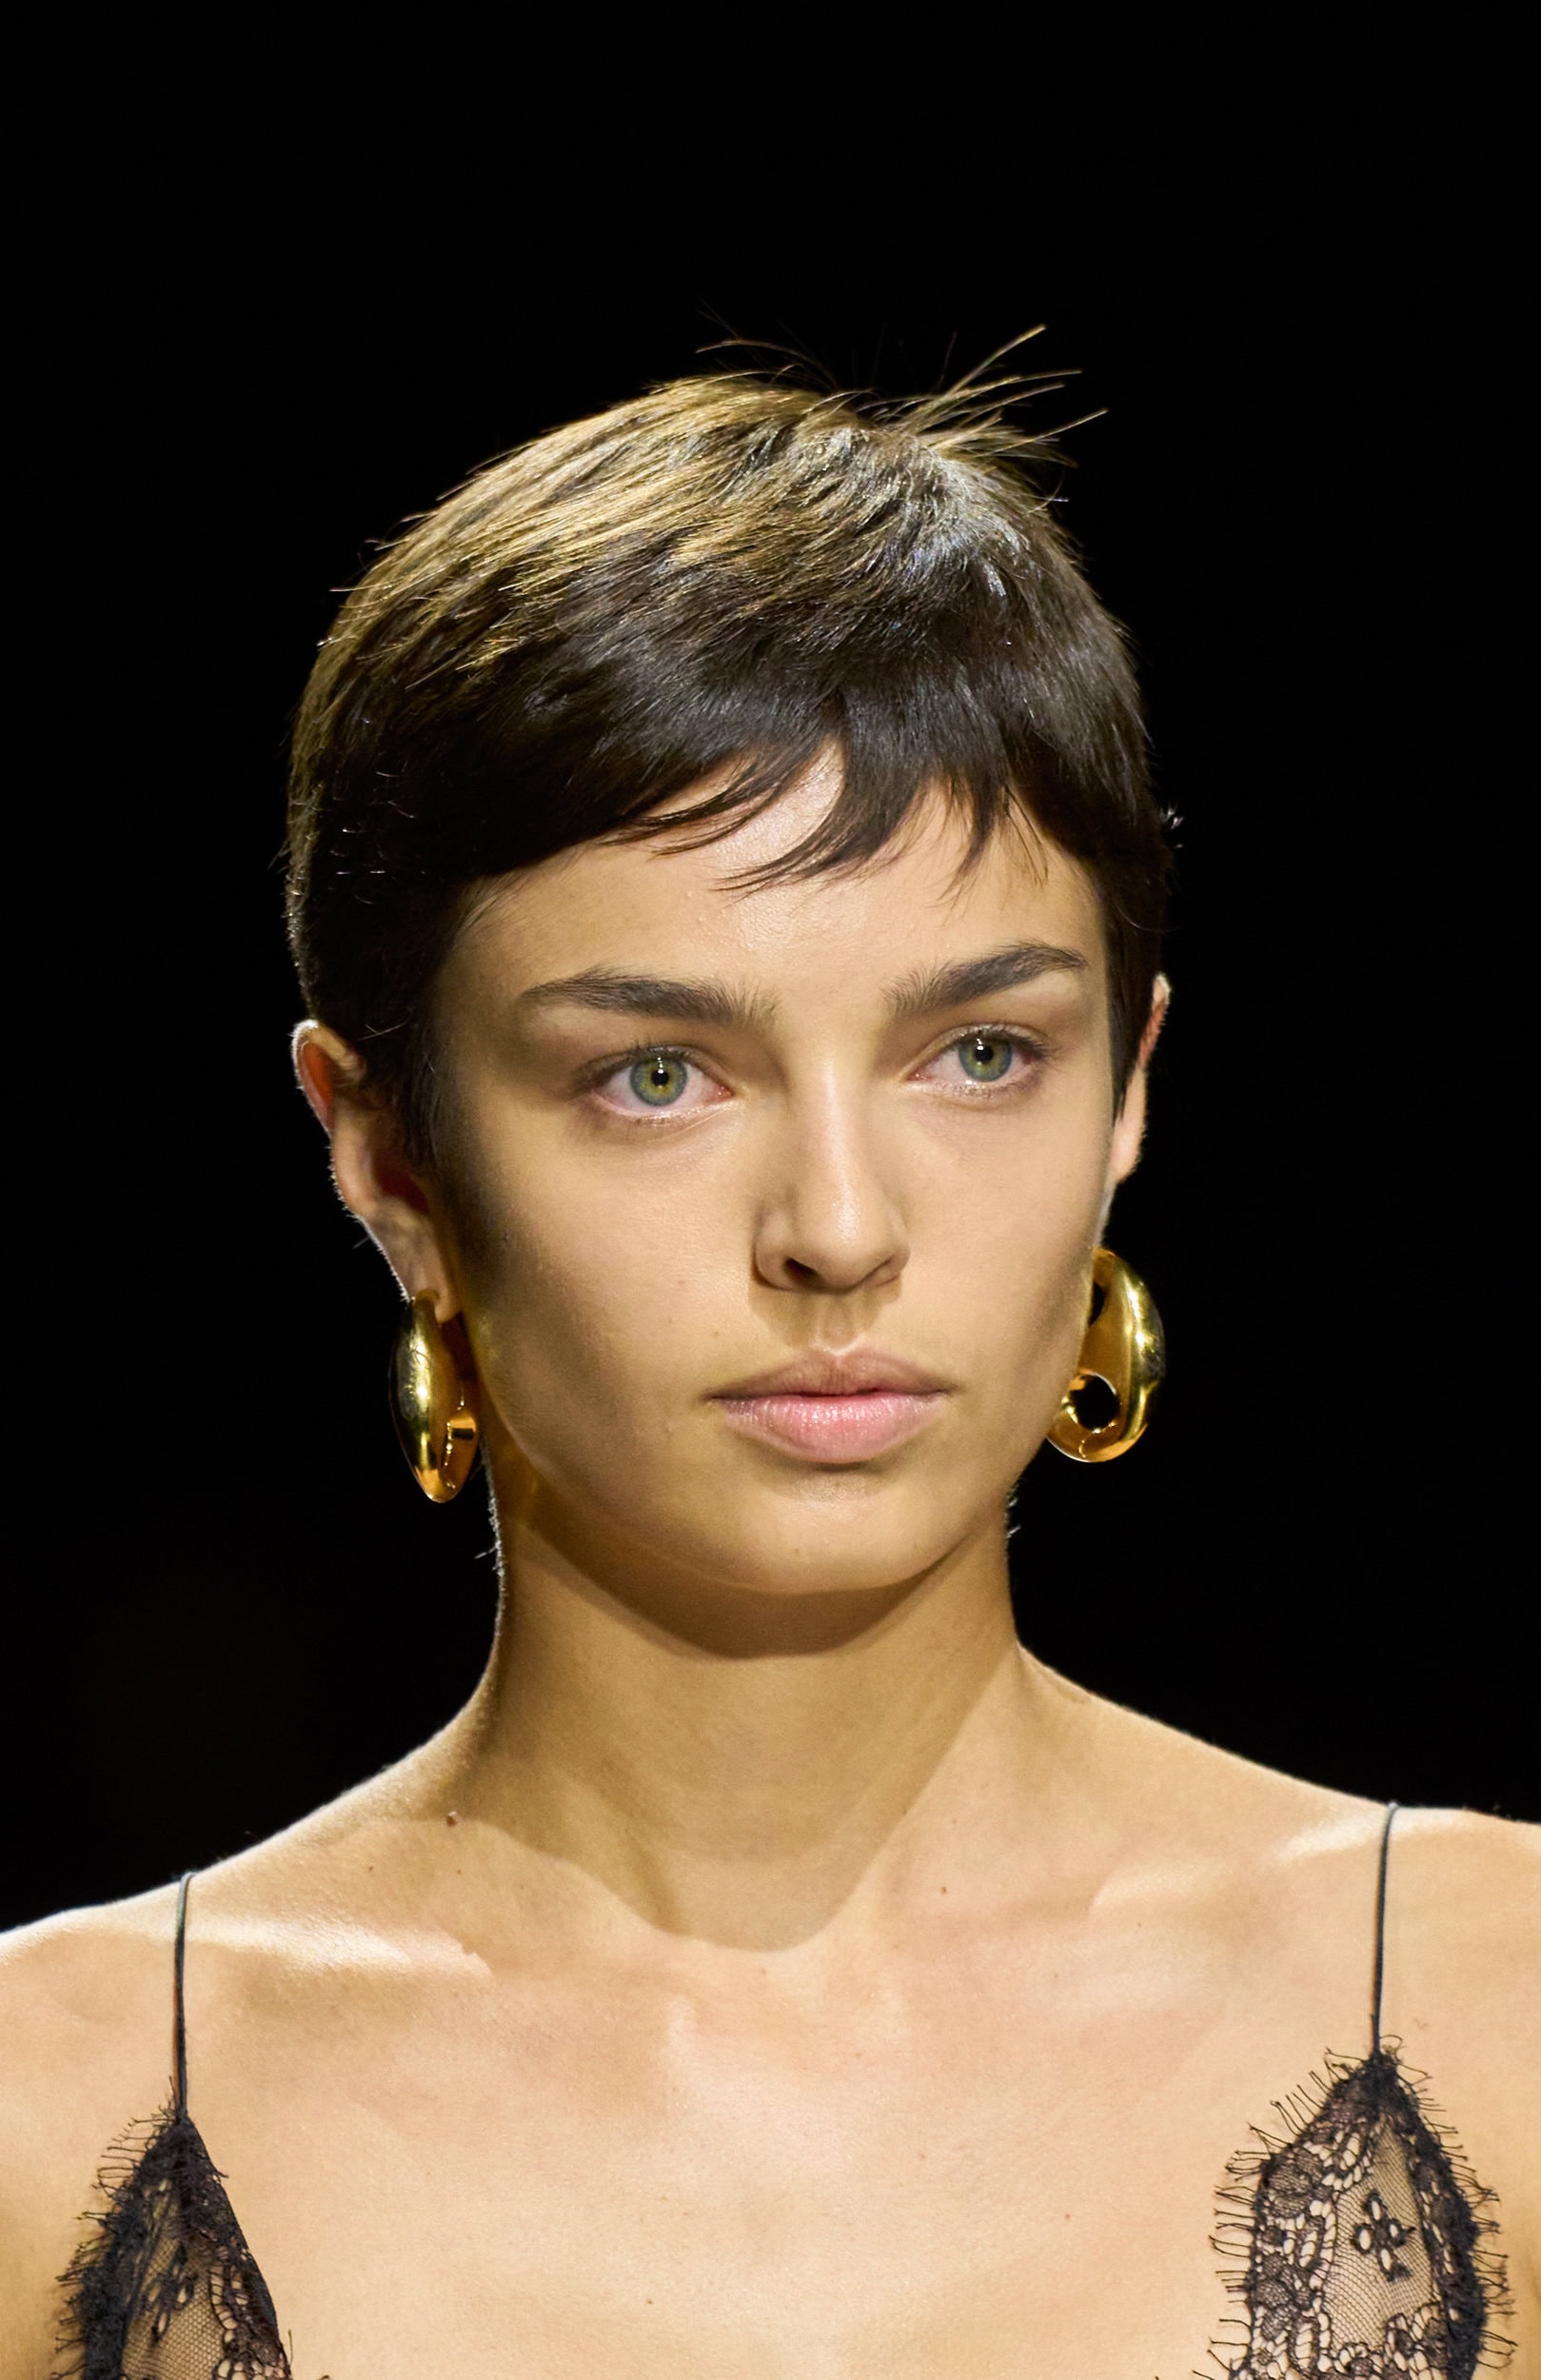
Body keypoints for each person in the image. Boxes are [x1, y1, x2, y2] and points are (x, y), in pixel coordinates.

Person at [0, 371, 1534, 2380]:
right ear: (388, 1157)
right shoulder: (52, 2109)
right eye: (659, 1074)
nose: (839, 1224)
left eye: (980, 1052)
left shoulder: (1500, 2008)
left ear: (1129, 1094)